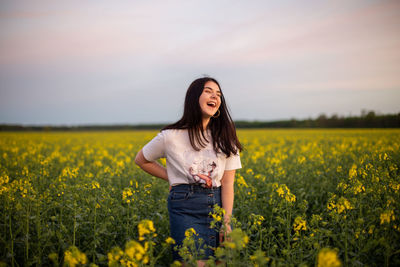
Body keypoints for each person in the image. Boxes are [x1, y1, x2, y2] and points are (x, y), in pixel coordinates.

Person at [135, 76, 242, 266]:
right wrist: (174, 178)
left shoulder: (226, 137)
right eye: (208, 91)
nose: (215, 97)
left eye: (218, 94)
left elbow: (227, 183)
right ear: (194, 97)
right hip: (185, 209)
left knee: (220, 263)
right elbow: (141, 160)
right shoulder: (170, 137)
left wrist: (226, 223)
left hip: (217, 206)